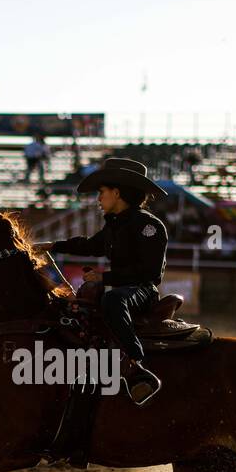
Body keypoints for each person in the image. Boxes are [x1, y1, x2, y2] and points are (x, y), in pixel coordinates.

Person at [49, 157, 169, 405]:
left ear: (117, 192)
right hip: (123, 287)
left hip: (142, 291)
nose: (98, 198)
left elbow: (149, 273)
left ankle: (136, 365)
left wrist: (105, 278)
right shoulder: (115, 226)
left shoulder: (149, 226)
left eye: (102, 192)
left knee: (113, 300)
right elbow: (90, 245)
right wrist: (51, 246)